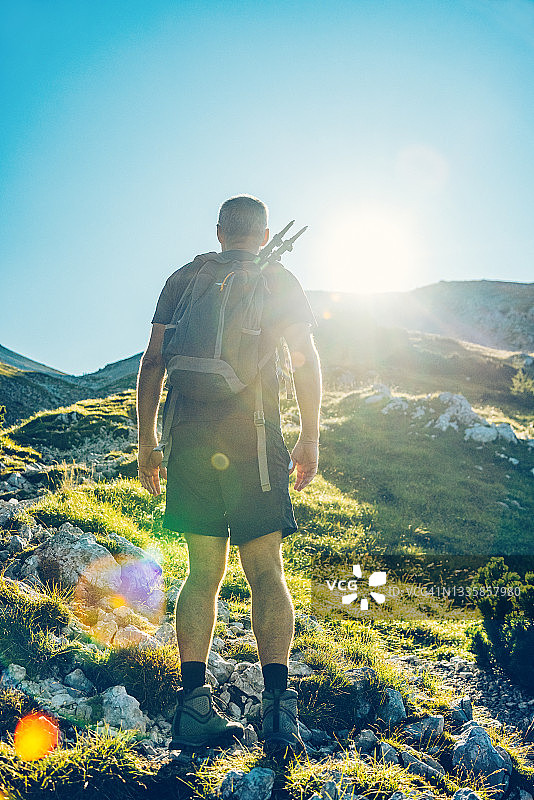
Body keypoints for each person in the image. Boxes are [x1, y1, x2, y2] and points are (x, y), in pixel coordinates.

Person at [136, 194, 321, 754]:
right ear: (264, 235)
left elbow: (152, 362)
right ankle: (277, 713)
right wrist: (310, 437)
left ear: (218, 231)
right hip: (254, 437)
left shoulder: (183, 279)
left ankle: (192, 707)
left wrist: (148, 444)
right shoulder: (279, 279)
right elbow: (306, 358)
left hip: (188, 438)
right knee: (266, 571)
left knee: (202, 572)